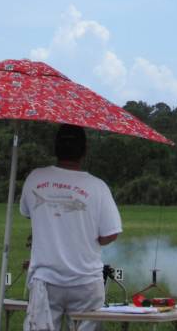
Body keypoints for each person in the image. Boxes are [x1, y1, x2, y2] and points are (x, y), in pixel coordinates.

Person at [20, 124, 122, 331]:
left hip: (45, 279)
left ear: (55, 148)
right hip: (86, 281)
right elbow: (110, 234)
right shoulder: (98, 186)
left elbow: (28, 212)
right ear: (85, 150)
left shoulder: (35, 178)